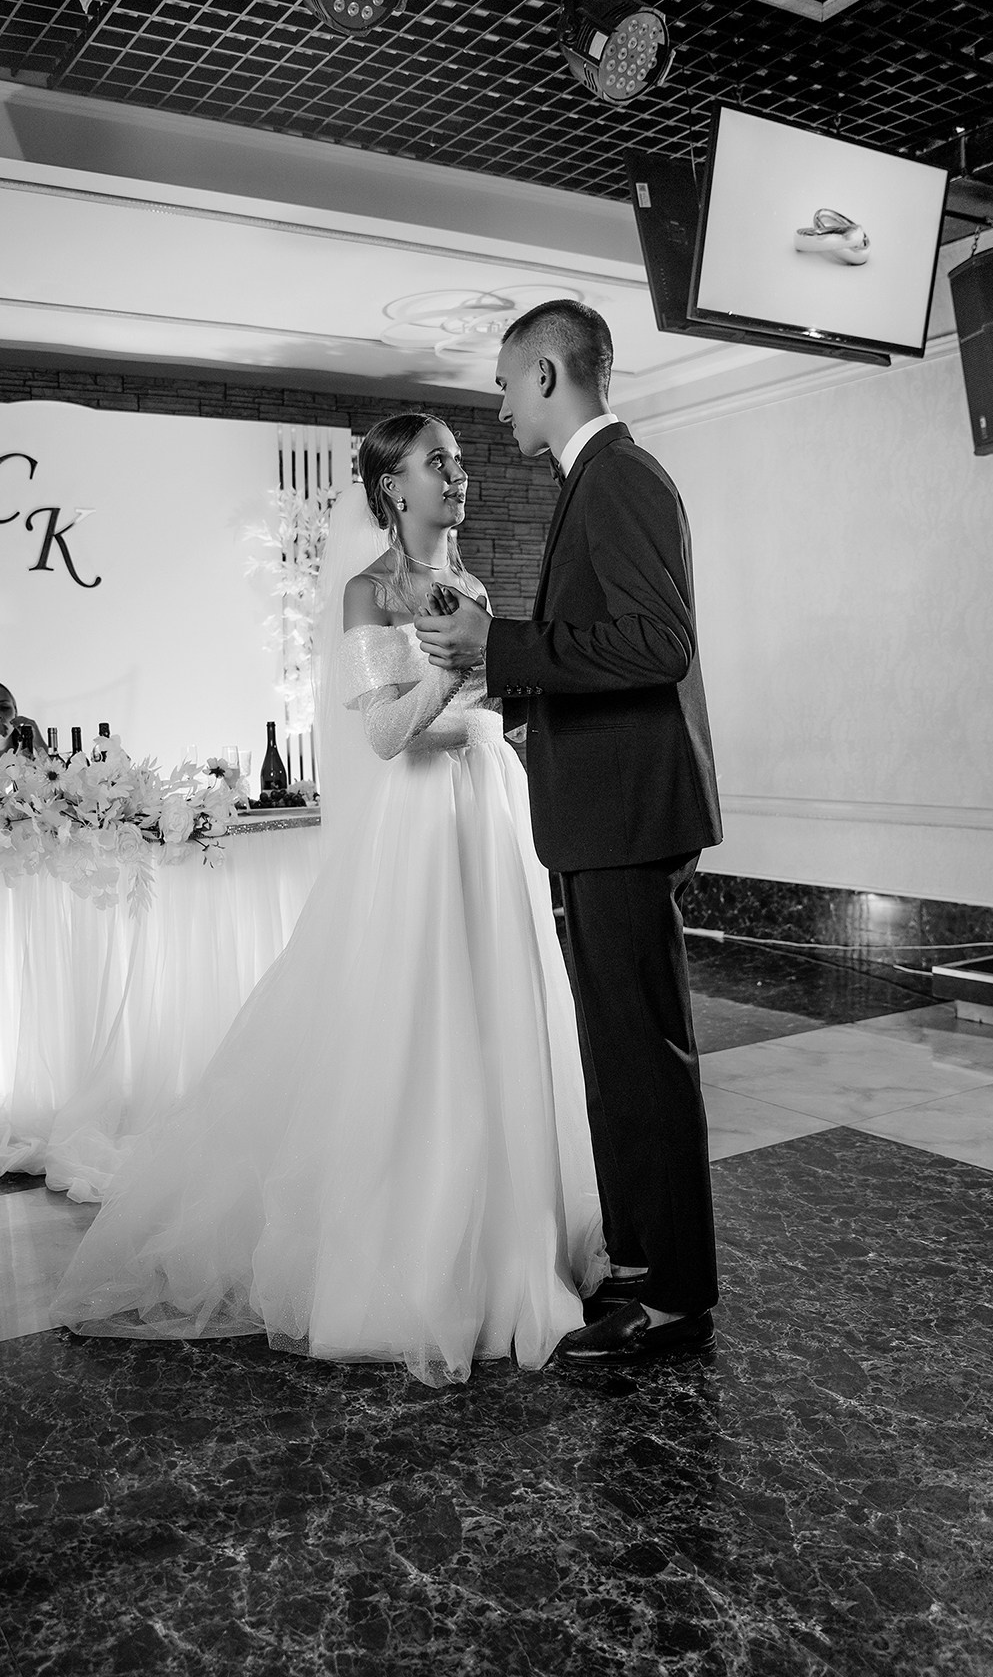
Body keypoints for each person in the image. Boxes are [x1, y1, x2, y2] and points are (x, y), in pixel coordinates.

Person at [51, 413, 607, 1386]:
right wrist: (458, 671)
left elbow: (491, 707)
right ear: (392, 486)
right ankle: (415, 1251)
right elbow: (386, 735)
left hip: (489, 813)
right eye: (438, 462)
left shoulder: (475, 590)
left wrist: (515, 696)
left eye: (460, 462)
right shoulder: (368, 593)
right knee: (423, 1020)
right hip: (420, 823)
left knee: (503, 1012)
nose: (459, 475)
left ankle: (515, 1235)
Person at [414, 301, 723, 1366]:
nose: (500, 407)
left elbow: (656, 643)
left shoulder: (620, 477)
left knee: (643, 1058)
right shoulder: (593, 479)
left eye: (506, 383)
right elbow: (605, 646)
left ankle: (674, 1296)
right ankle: (639, 1260)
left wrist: (501, 644)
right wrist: (511, 675)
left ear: (547, 374)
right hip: (605, 814)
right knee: (618, 1053)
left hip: (626, 816)